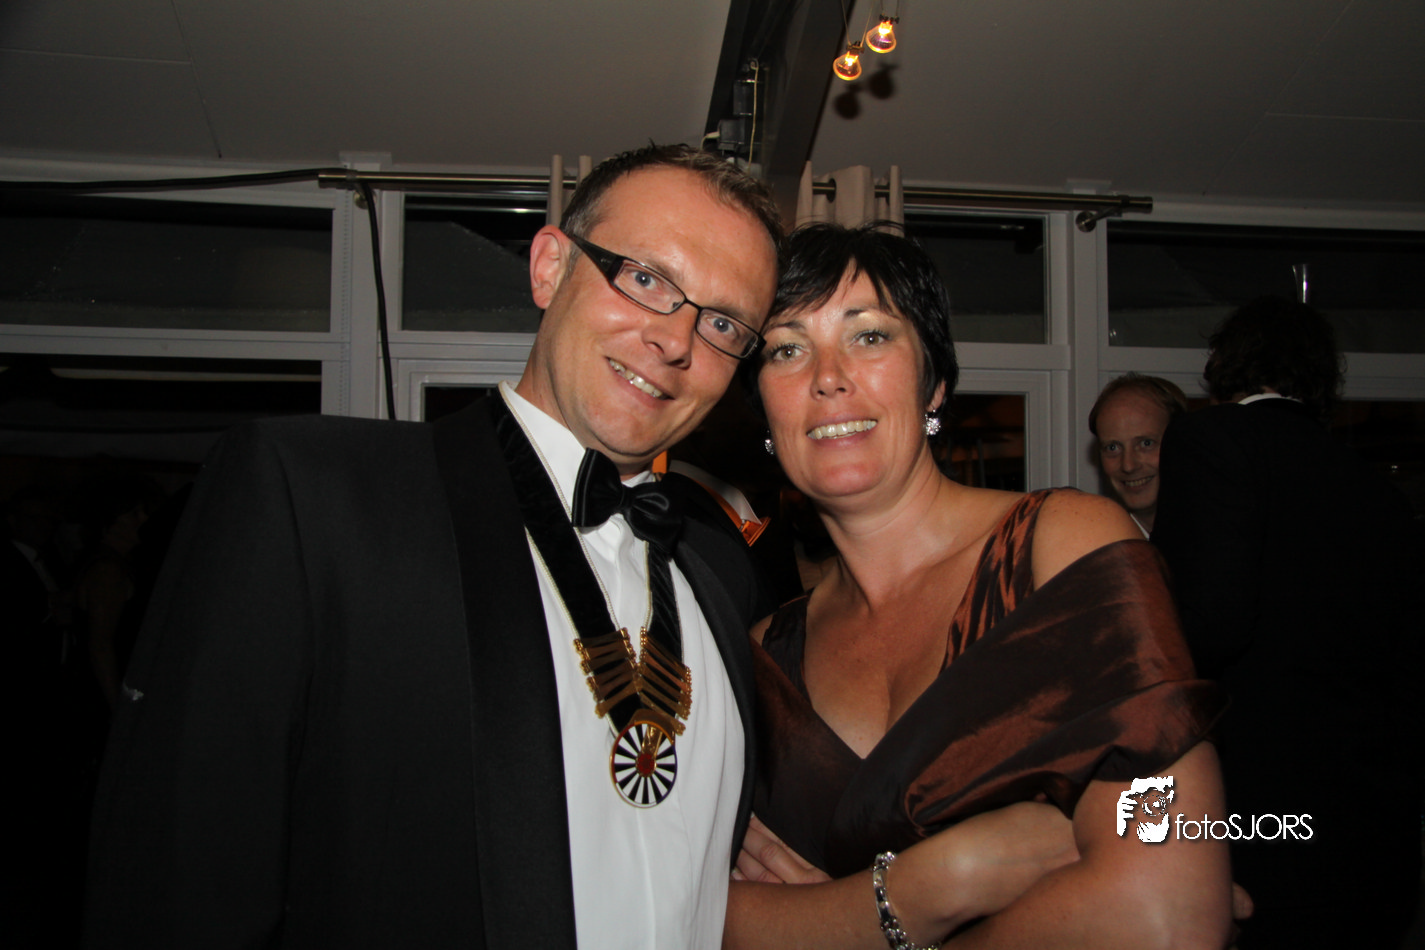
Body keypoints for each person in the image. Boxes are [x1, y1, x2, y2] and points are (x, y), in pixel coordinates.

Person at [84, 144, 783, 948]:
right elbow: (175, 881)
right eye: (647, 279)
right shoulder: (313, 500)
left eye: (722, 322)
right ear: (550, 268)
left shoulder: (719, 568)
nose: (676, 339)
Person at [725, 223, 1233, 948]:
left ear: (933, 383)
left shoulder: (1062, 547)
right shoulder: (760, 662)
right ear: (765, 412)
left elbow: (1167, 918)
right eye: (786, 349)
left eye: (869, 335)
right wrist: (942, 881)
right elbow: (700, 917)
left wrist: (836, 921)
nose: (827, 375)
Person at [1152, 296, 1425, 949]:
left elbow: (1210, 626)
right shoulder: (1379, 491)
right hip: (1371, 825)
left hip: (1260, 815)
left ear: (1224, 364)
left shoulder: (1212, 440)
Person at [1088, 373, 1188, 535]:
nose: (1128, 465)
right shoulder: (1093, 543)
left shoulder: (1223, 533)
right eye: (1113, 447)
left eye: (1146, 444)